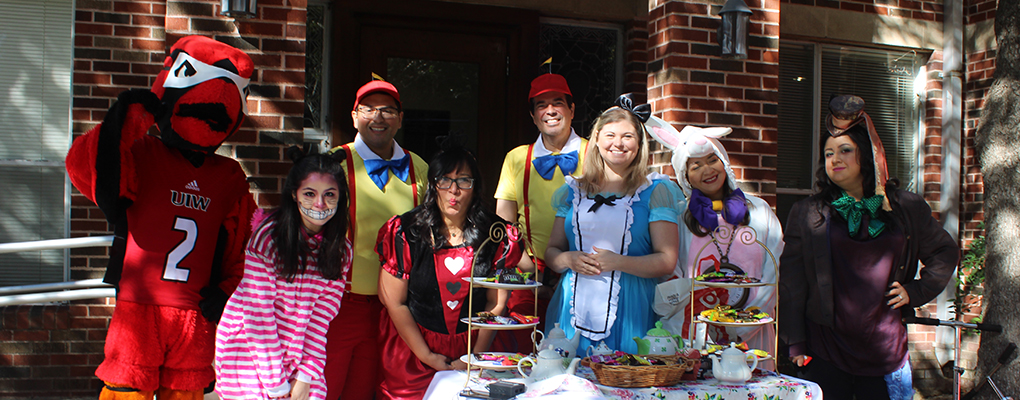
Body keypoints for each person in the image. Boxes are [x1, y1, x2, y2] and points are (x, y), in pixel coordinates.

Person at [65, 36, 257, 400]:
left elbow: (241, 246)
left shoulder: (230, 176)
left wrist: (227, 292)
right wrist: (126, 122)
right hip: (138, 307)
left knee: (186, 390)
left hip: (196, 311)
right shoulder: (142, 151)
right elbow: (84, 168)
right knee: (126, 388)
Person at [779, 95, 959, 400]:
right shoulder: (808, 212)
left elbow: (945, 252)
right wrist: (794, 342)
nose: (834, 159)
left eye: (845, 150)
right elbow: (792, 281)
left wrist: (914, 291)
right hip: (825, 348)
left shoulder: (905, 207)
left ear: (869, 154)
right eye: (828, 153)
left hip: (885, 351)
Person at [376, 146, 523, 399]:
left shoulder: (496, 234)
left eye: (463, 180)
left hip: (480, 347)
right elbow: (395, 302)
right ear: (433, 185)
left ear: (475, 187)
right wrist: (427, 356)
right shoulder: (406, 231)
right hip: (414, 352)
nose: (453, 190)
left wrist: (474, 357)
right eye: (445, 180)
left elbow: (495, 303)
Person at [544, 94, 682, 355]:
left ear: (639, 144)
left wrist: (618, 261)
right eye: (610, 135)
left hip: (632, 307)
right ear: (596, 139)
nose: (618, 143)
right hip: (574, 305)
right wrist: (568, 260)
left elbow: (667, 260)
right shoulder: (573, 191)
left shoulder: (656, 191)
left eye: (628, 136)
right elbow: (551, 251)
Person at [215, 151, 352, 400]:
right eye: (309, 194)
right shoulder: (268, 238)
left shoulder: (340, 252)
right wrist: (277, 386)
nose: (319, 204)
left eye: (329, 194)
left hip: (300, 352)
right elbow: (259, 316)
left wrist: (306, 375)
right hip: (249, 348)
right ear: (294, 194)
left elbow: (320, 321)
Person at [324, 80, 429, 400]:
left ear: (399, 118)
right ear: (354, 116)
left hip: (398, 310)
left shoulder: (418, 167)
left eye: (387, 110)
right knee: (324, 390)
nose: (378, 117)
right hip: (341, 306)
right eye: (369, 109)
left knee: (369, 392)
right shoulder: (333, 164)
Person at [649, 122, 783, 365]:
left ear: (724, 162)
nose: (707, 170)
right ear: (685, 176)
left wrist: (742, 326)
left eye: (712, 160)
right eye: (695, 166)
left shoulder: (760, 211)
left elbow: (771, 274)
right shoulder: (678, 219)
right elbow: (672, 277)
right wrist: (710, 325)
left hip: (752, 333)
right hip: (697, 333)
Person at [495, 73, 587, 351]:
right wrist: (531, 270)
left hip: (585, 277)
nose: (550, 111)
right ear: (533, 116)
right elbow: (503, 225)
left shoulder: (596, 153)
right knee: (522, 355)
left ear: (571, 110)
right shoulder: (516, 158)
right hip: (530, 278)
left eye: (557, 103)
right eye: (541, 105)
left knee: (578, 360)